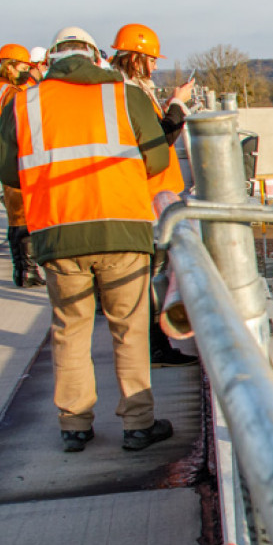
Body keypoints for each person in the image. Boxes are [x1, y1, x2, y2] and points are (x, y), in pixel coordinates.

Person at [0, 25, 175, 453]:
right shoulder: (123, 96)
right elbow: (157, 158)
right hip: (122, 229)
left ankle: (74, 425)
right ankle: (138, 424)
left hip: (56, 233)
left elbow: (6, 171)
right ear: (95, 57)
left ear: (50, 60)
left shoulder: (24, 103)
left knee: (69, 331)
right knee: (129, 329)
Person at [110, 23, 198, 368]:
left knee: (150, 278)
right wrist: (177, 105)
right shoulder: (127, 91)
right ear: (135, 58)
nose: (156, 66)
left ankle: (155, 346)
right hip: (144, 198)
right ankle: (154, 347)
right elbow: (156, 143)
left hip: (151, 196)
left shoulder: (132, 90)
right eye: (151, 59)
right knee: (146, 280)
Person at [0, 43, 44, 287]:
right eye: (23, 66)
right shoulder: (10, 92)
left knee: (15, 217)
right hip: (15, 160)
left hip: (1, 159)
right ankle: (27, 272)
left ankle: (22, 270)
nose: (26, 71)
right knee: (22, 217)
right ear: (11, 66)